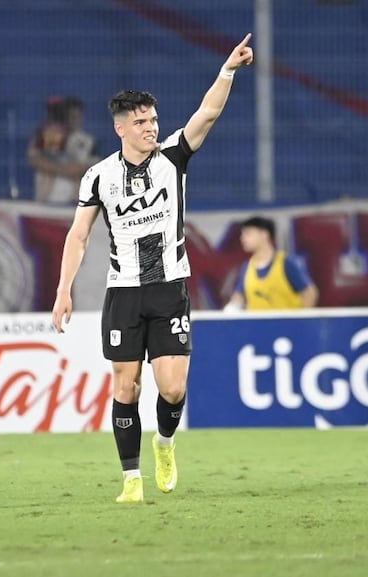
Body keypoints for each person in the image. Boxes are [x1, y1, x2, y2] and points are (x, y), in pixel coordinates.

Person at [52, 34, 254, 503]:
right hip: (123, 294)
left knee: (172, 386)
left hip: (168, 289)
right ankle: (131, 480)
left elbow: (207, 113)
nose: (151, 127)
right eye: (141, 121)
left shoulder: (173, 158)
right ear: (120, 128)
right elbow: (78, 235)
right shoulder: (98, 176)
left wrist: (226, 70)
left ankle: (164, 442)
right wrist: (64, 290)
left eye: (154, 119)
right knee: (126, 385)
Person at [225, 216, 318, 310]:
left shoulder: (287, 263)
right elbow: (238, 297)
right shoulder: (247, 267)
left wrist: (302, 321)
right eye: (242, 234)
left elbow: (309, 293)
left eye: (248, 234)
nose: (242, 238)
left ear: (264, 234)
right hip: (258, 324)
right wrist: (230, 310)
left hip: (286, 324)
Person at [28, 96, 99, 204]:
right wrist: (62, 169)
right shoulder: (52, 137)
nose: (74, 119)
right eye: (71, 116)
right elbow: (37, 159)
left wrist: (80, 169)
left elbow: (95, 165)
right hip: (49, 199)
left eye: (77, 116)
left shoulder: (87, 141)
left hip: (75, 202)